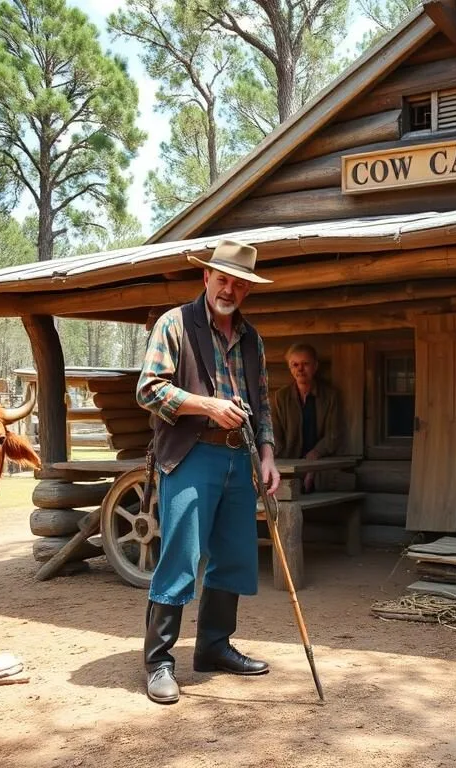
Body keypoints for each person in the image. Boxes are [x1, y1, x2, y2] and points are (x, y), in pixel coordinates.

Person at [135, 238, 281, 705]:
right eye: (223, 280)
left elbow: (262, 404)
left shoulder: (253, 338)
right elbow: (148, 390)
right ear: (206, 278)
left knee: (235, 556)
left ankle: (214, 647)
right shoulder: (174, 324)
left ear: (247, 291)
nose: (229, 290)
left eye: (239, 284)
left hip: (241, 459)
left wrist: (267, 453)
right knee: (181, 555)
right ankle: (159, 661)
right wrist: (206, 406)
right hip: (191, 452)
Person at [271, 342, 341, 493]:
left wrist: (316, 453)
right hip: (289, 463)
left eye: (305, 364)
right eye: (295, 365)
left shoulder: (329, 396)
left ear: (315, 366)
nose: (300, 369)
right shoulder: (280, 397)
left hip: (321, 464)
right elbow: (274, 432)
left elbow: (333, 434)